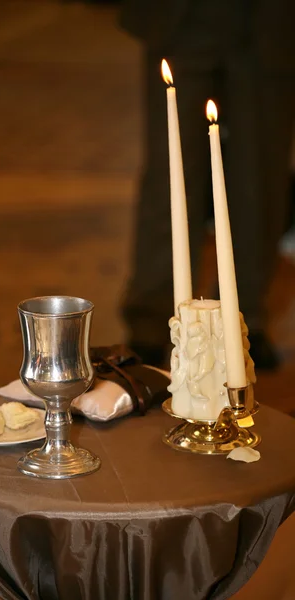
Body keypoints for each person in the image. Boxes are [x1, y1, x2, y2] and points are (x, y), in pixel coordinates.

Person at [119, 0, 295, 369]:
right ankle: (154, 319)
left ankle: (242, 319)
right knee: (171, 169)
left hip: (270, 19)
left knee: (259, 175)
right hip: (181, 18)